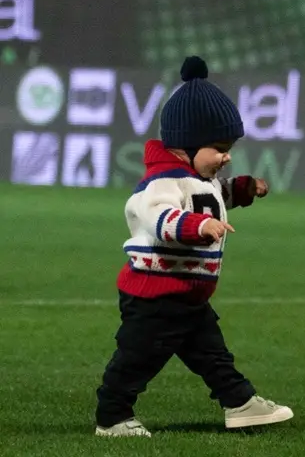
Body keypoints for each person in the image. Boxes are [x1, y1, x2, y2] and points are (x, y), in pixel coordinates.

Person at [94, 56, 294, 437]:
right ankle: (112, 417)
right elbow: (160, 217)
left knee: (212, 353)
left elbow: (214, 198)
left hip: (187, 294)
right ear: (186, 144)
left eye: (229, 147)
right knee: (137, 359)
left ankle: (240, 403)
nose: (227, 156)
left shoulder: (197, 179)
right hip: (155, 295)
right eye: (219, 147)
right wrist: (199, 226)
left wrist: (244, 189)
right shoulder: (162, 182)